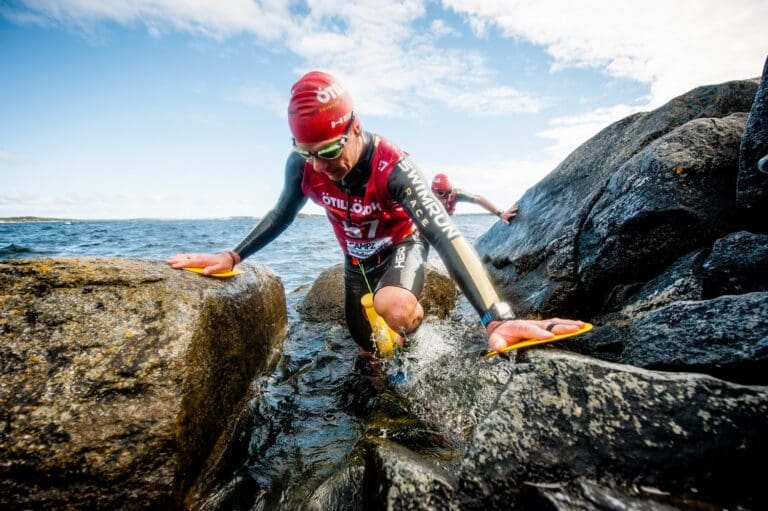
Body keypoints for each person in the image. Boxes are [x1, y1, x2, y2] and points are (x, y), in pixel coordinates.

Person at [168, 71, 583, 354]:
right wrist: (233, 256)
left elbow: (443, 232)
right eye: (306, 153)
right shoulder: (304, 167)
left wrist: (497, 318)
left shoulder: (393, 166)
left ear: (354, 128)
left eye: (329, 151)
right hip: (355, 263)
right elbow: (282, 213)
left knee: (394, 309)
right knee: (367, 353)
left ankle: (415, 322)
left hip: (402, 245)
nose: (319, 166)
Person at [431, 173, 519, 224]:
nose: (447, 197)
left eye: (449, 192)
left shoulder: (456, 194)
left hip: (443, 222)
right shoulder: (428, 198)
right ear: (433, 192)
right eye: (441, 193)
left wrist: (501, 214)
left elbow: (479, 199)